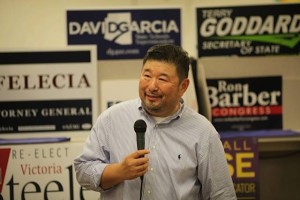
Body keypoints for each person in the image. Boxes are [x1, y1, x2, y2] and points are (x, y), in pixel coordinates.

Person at [74, 44, 237, 200]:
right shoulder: (111, 119)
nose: (152, 86)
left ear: (183, 86)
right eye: (147, 76)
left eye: (163, 79)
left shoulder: (202, 131)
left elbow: (222, 194)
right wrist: (119, 171)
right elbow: (82, 171)